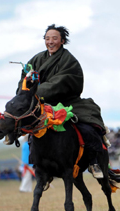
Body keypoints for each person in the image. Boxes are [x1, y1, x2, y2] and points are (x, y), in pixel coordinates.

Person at [17, 24, 106, 179]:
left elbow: (62, 81)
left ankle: (93, 161)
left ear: (62, 41)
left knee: (88, 126)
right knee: (17, 120)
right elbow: (24, 79)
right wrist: (25, 89)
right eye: (47, 38)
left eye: (54, 38)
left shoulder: (69, 61)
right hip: (42, 105)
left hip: (68, 103)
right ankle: (39, 165)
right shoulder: (37, 59)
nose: (50, 42)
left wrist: (35, 91)